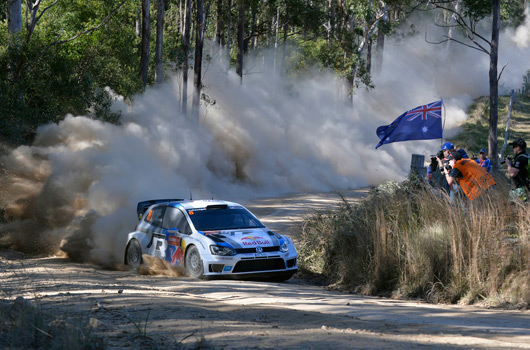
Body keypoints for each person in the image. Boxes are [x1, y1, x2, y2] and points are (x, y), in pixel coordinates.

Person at [505, 138, 529, 202]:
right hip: (524, 188)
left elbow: (512, 173)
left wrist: (509, 164)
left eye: (514, 147)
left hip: (519, 189)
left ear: (518, 148)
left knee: (516, 209)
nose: (513, 149)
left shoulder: (520, 158)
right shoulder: (526, 156)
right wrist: (513, 164)